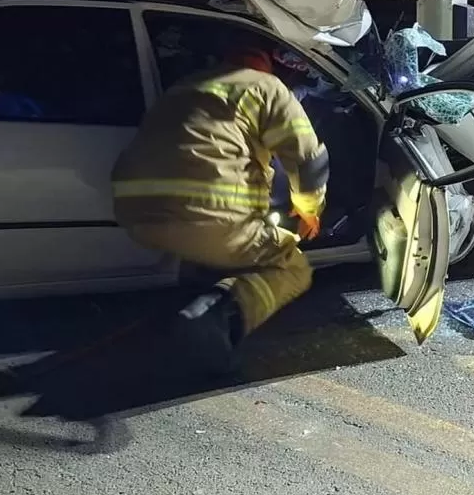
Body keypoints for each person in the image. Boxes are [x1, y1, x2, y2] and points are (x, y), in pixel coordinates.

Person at [111, 37, 329, 374]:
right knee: (292, 266)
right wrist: (309, 209)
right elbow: (308, 159)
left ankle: (187, 307)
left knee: (207, 249)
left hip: (136, 214)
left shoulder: (184, 87)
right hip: (208, 218)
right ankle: (213, 318)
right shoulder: (266, 87)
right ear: (268, 67)